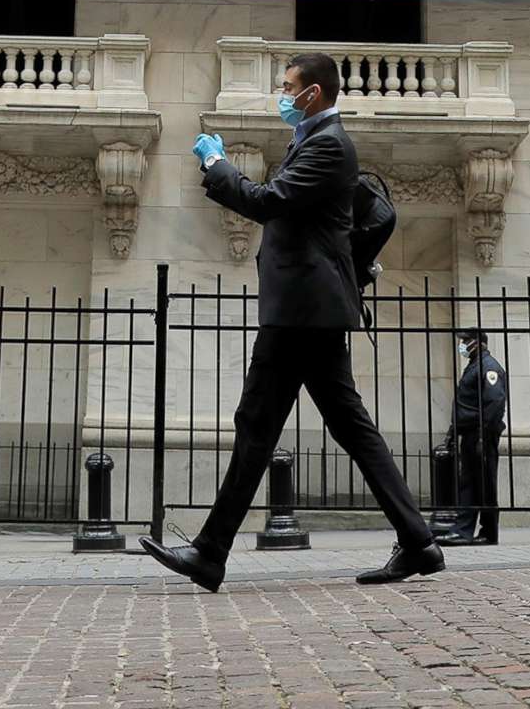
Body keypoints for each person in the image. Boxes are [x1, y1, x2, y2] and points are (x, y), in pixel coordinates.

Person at [142, 52, 443, 592]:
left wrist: (217, 166)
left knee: (257, 426)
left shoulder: (328, 144)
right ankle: (419, 543)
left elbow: (267, 202)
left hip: (302, 312)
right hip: (310, 311)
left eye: (288, 87)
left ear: (315, 94)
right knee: (346, 427)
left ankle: (210, 553)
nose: (282, 95)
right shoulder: (311, 141)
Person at [437, 327, 507, 547]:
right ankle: (478, 532)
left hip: (480, 434)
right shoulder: (475, 366)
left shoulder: (489, 367)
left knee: (481, 483)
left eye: (465, 341)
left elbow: (494, 403)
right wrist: (453, 432)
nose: (462, 345)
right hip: (470, 433)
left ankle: (471, 531)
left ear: (478, 342)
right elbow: (466, 403)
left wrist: (483, 436)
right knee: (473, 482)